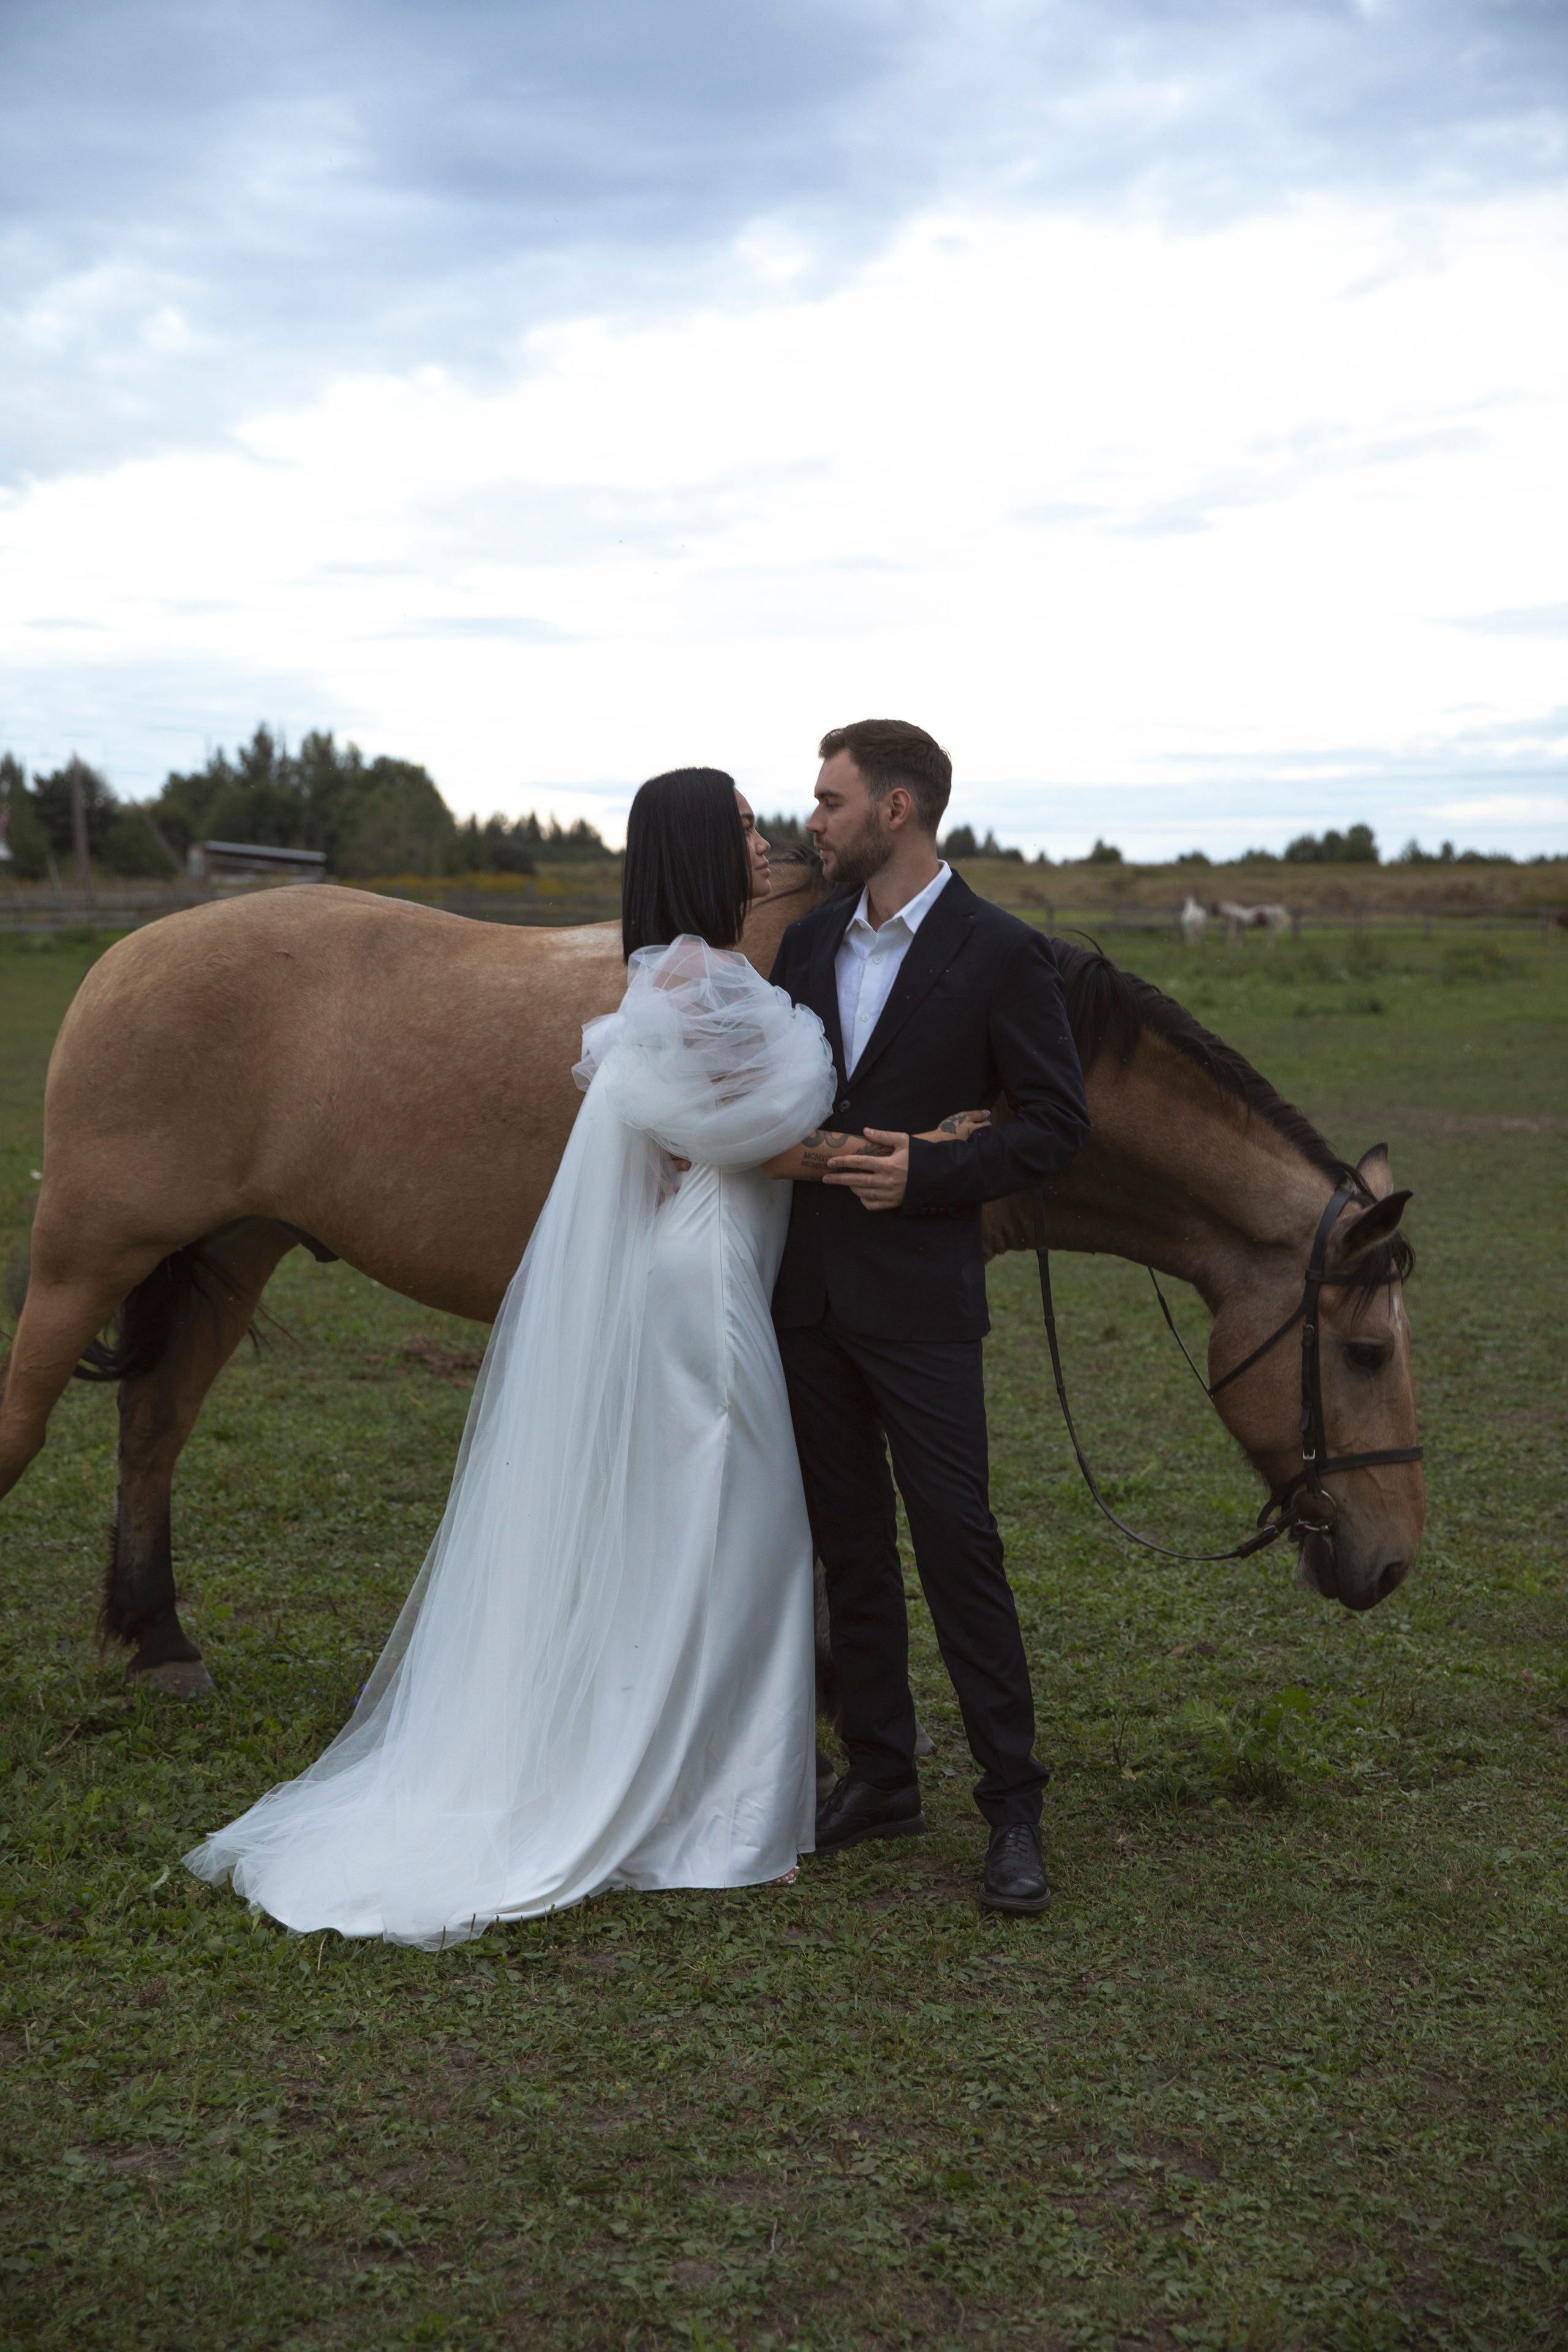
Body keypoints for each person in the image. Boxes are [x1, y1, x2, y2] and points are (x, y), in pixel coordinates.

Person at [185, 767, 989, 1948]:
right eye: (743, 827)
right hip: (710, 1278)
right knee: (737, 1531)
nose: (766, 840)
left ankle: (705, 1784)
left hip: (708, 1262)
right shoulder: (699, 982)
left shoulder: (683, 973)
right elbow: (766, 1145)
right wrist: (927, 1145)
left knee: (709, 1527)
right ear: (700, 851)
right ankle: (714, 1810)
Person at [769, 720, 1090, 1913]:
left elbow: (1056, 1124)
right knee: (848, 1543)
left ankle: (1013, 1810)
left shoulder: (1001, 951)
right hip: (810, 1296)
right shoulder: (807, 942)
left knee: (958, 1546)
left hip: (921, 1305)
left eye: (830, 799)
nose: (813, 819)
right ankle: (881, 1775)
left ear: (895, 809)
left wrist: (929, 1172)